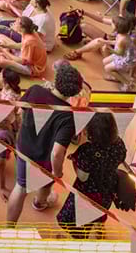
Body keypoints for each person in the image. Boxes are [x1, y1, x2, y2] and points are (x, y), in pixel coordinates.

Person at [6, 63, 82, 224]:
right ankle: (39, 202)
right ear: (73, 93)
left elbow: (20, 112)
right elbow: (56, 152)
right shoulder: (69, 116)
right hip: (43, 159)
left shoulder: (35, 90)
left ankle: (9, 227)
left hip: (23, 147)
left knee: (20, 187)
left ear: (56, 80)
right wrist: (57, 172)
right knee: (47, 182)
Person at [57, 112, 127, 237]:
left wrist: (75, 163)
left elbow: (82, 177)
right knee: (100, 210)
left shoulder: (87, 151)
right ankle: (99, 226)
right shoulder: (120, 144)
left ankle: (77, 239)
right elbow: (120, 160)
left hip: (88, 193)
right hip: (108, 187)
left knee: (81, 221)